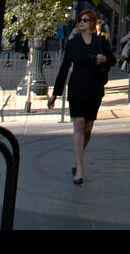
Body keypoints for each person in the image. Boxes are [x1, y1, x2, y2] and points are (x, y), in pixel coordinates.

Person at [48, 10, 115, 185]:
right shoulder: (73, 43)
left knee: (87, 130)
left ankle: (77, 159)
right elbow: (64, 67)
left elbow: (112, 60)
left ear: (93, 23)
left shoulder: (101, 42)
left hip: (94, 89)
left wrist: (104, 59)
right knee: (78, 125)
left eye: (85, 20)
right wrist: (56, 93)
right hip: (77, 88)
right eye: (80, 20)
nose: (82, 23)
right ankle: (80, 168)